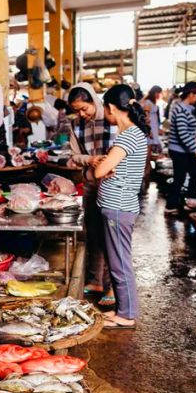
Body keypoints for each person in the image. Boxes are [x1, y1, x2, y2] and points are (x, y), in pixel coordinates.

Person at [91, 84, 150, 329]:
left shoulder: (128, 136)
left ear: (112, 108)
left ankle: (126, 315)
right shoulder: (133, 135)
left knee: (119, 263)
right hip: (119, 206)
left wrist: (104, 165)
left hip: (118, 207)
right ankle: (123, 310)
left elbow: (99, 171)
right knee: (118, 260)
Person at [66, 83, 115, 304]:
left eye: (84, 108)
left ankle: (112, 287)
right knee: (93, 233)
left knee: (111, 236)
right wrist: (89, 160)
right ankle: (95, 279)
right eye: (77, 110)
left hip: (112, 184)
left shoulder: (111, 118)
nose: (81, 114)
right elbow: (74, 155)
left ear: (94, 101)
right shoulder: (75, 125)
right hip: (90, 184)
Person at [165, 81, 196, 214]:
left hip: (184, 149)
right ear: (191, 94)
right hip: (179, 150)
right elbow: (183, 133)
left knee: (195, 174)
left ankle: (189, 201)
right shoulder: (181, 109)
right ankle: (171, 206)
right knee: (182, 177)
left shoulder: (187, 109)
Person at [141, 86, 163, 153]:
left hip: (153, 127)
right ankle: (148, 163)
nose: (160, 95)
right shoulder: (148, 102)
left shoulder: (151, 102)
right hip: (151, 128)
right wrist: (149, 130)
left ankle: (148, 162)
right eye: (159, 93)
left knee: (150, 148)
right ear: (155, 93)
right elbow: (146, 117)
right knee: (148, 147)